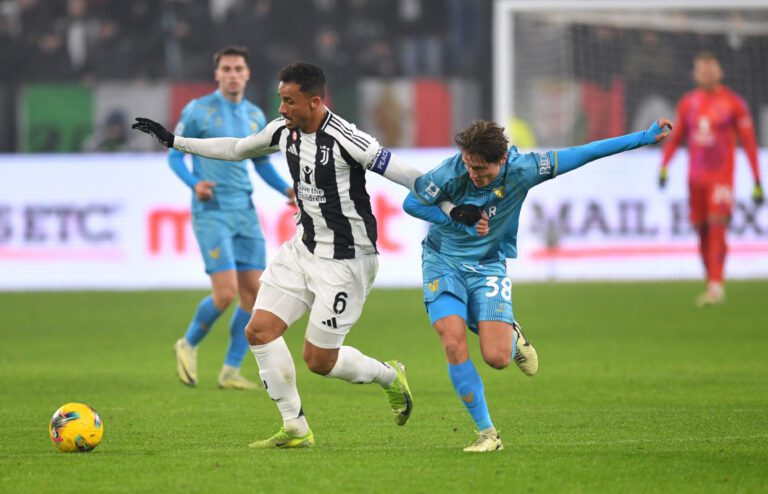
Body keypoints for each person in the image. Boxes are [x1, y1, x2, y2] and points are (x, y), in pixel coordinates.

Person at [133, 62, 421, 449]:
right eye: (280, 100)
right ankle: (295, 427)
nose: (282, 109)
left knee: (319, 361)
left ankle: (388, 375)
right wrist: (175, 141)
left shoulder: (349, 139)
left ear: (314, 102)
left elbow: (408, 175)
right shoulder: (283, 131)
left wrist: (455, 206)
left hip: (347, 260)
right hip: (303, 248)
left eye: (289, 101)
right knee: (259, 330)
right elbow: (237, 149)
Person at [403, 117, 672, 452]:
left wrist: (643, 137)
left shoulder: (525, 168)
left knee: (497, 358)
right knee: (452, 341)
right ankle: (488, 434)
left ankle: (511, 334)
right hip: (442, 260)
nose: (472, 173)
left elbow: (585, 152)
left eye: (480, 169)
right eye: (469, 165)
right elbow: (412, 202)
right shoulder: (450, 171)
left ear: (502, 160)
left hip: (487, 265)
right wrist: (454, 215)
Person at [168, 46, 295, 391]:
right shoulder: (198, 111)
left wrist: (286, 190)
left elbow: (261, 163)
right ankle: (188, 344)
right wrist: (195, 184)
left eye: (239, 68)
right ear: (217, 74)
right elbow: (175, 156)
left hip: (245, 211)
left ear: (247, 73)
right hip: (212, 211)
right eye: (226, 69)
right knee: (225, 294)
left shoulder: (254, 115)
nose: (233, 74)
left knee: (253, 296)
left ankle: (230, 370)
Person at [659, 52, 763, 306]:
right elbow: (676, 137)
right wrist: (664, 166)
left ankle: (716, 285)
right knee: (702, 229)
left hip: (721, 177)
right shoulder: (688, 103)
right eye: (701, 70)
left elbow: (749, 143)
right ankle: (711, 280)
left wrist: (757, 180)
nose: (706, 74)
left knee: (717, 225)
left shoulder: (734, 103)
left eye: (710, 69)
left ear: (720, 72)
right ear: (695, 74)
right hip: (695, 178)